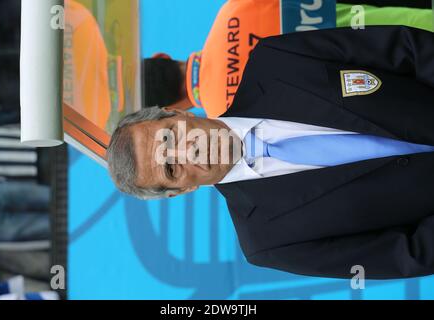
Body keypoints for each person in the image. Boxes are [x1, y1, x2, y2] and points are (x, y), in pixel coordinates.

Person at [107, 26, 434, 279]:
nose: (186, 151)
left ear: (177, 114)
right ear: (181, 190)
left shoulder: (275, 60)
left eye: (169, 137)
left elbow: (404, 49)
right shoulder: (268, 243)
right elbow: (406, 255)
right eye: (171, 168)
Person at [143, 0, 433, 118]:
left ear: (171, 112)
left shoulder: (228, 119)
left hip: (406, 96)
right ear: (162, 56)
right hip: (409, 25)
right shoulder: (233, 10)